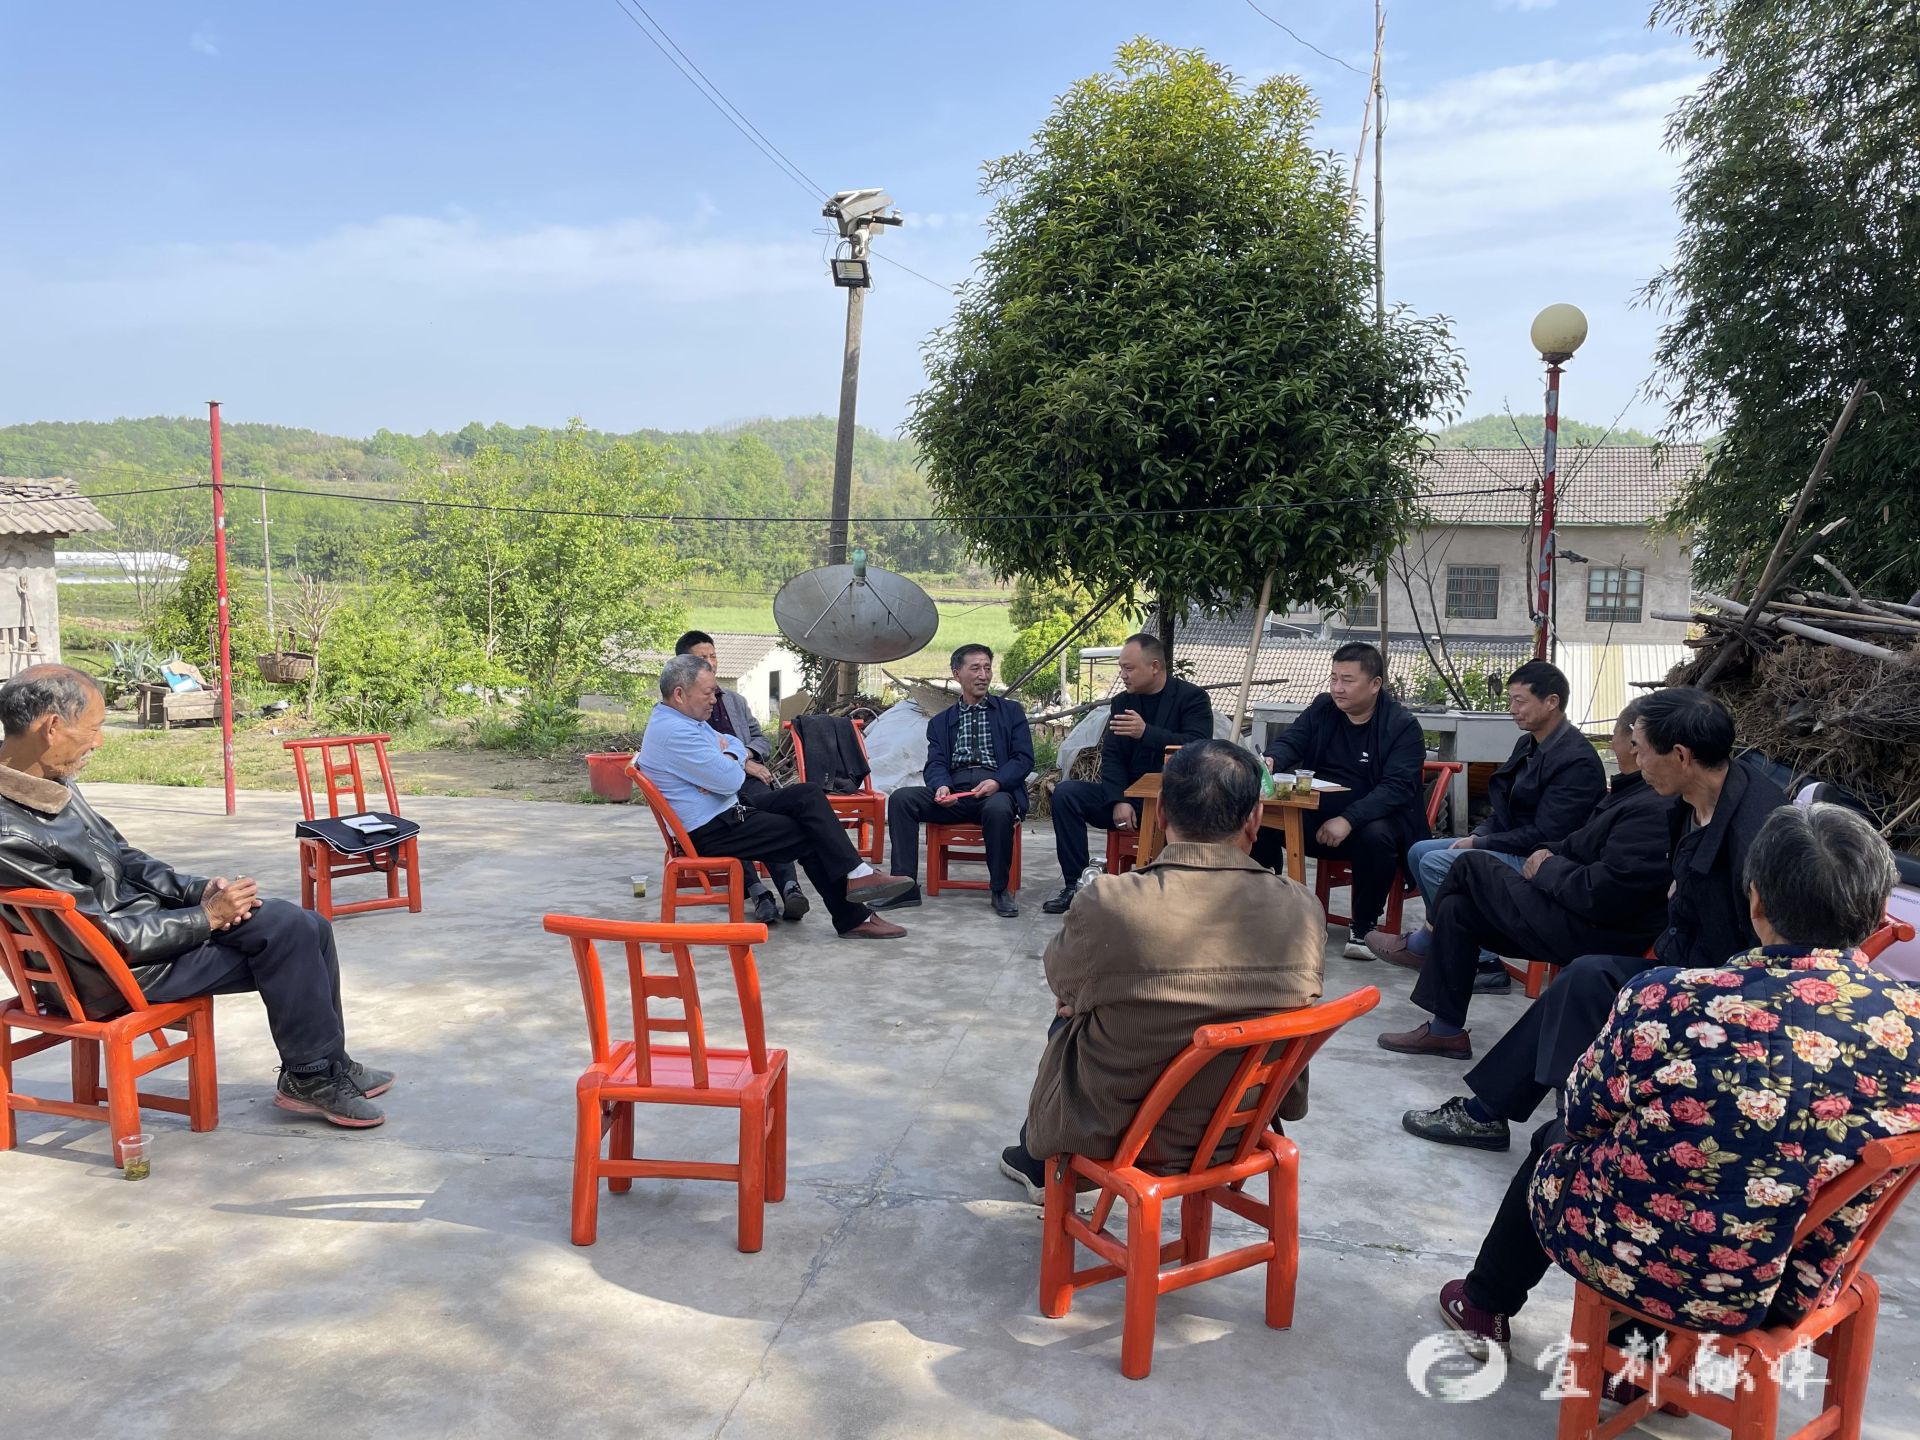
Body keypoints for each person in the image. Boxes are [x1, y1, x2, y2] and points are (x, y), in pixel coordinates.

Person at [1437, 804, 1920, 1357]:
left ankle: (1486, 1303)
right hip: (1798, 1282)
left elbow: (1581, 1113)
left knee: (1558, 1142)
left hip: (1655, 1264)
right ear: (1876, 911)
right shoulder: (1910, 1018)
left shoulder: (1670, 997)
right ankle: (1634, 1356)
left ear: (1756, 902)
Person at [0, 665, 393, 1128]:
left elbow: (122, 856)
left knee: (307, 925)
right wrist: (206, 917)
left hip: (141, 940)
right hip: (107, 973)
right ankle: (311, 1075)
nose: (98, 742)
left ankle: (329, 1065)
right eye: (94, 729)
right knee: (294, 939)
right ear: (51, 727)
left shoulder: (50, 781)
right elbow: (99, 936)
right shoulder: (9, 830)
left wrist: (197, 891)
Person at [1405, 686, 1789, 1151]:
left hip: (1729, 990)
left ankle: (1560, 1125)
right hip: (1679, 952)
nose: (1636, 762)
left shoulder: (1756, 832)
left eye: (1641, 751)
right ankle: (1496, 1110)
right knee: (1579, 976)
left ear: (1681, 755)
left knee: (1586, 976)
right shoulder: (1688, 798)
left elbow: (1773, 949)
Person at [999, 740, 1325, 1200]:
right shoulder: (1304, 908)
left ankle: (1040, 1161)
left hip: (1116, 1133)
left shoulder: (1111, 903)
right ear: (1255, 818)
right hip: (1236, 1130)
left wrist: (1087, 995)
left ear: (1161, 814)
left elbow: (1062, 982)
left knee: (1072, 1012)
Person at [1376, 699, 1670, 1058]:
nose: (1614, 745)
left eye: (1626, 740)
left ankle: (1425, 942)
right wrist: (1541, 852)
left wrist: (1544, 866)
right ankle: (1445, 1031)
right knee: (1458, 908)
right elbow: (1570, 841)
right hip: (1560, 894)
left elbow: (1602, 891)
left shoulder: (1644, 802)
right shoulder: (1620, 787)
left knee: (1469, 866)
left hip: (1591, 927)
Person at [636, 654, 914, 940]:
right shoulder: (674, 732)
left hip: (725, 808)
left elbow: (732, 742)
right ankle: (854, 917)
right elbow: (731, 780)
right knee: (810, 835)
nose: (714, 700)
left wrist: (728, 757)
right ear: (679, 694)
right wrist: (731, 763)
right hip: (711, 828)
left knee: (808, 794)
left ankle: (858, 874)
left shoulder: (683, 718)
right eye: (708, 693)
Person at [1370, 660, 1607, 991]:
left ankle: (1484, 962)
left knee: (1438, 863)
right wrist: (1480, 833)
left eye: (1520, 701)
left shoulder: (1576, 760)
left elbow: (1549, 834)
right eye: (1511, 700)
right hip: (1514, 843)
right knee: (1419, 851)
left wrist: (1480, 845)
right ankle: (1441, 939)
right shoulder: (1529, 744)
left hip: (1545, 859)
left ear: (1551, 702)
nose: (1512, 709)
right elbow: (1507, 807)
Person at [1255, 641, 1428, 961]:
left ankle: (1364, 927)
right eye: (1333, 678)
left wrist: (1348, 819)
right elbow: (1293, 741)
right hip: (1315, 818)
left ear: (1375, 684)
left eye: (1347, 680)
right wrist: (1272, 760)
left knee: (1377, 834)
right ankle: (1264, 907)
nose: (1337, 688)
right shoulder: (1323, 708)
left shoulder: (1401, 725)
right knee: (1258, 816)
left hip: (1371, 825)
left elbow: (1396, 788)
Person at [1041, 633, 1212, 915]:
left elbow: (1198, 747)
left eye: (1129, 668)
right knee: (1067, 794)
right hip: (1129, 798)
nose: (1122, 675)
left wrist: (1146, 733)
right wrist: (1118, 799)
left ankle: (1174, 892)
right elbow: (1113, 756)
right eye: (1121, 668)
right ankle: (1077, 885)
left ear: (1154, 667)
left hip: (1174, 801)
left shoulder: (1191, 698)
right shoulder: (1123, 702)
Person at [876, 643, 1033, 918]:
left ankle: (999, 889)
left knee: (999, 809)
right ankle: (904, 885)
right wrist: (941, 786)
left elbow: (1023, 758)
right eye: (975, 668)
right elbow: (935, 763)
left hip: (995, 790)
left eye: (987, 668)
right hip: (956, 793)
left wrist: (997, 782)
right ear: (957, 673)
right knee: (902, 799)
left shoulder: (1011, 712)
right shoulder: (940, 722)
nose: (983, 675)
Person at [676, 630, 801, 926]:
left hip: (746, 778)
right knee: (732, 819)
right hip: (709, 786)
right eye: (702, 658)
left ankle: (790, 887)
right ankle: (758, 893)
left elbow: (761, 740)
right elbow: (700, 758)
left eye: (713, 656)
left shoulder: (734, 701)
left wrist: (744, 756)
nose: (710, 663)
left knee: (772, 809)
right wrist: (743, 764)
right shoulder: (681, 708)